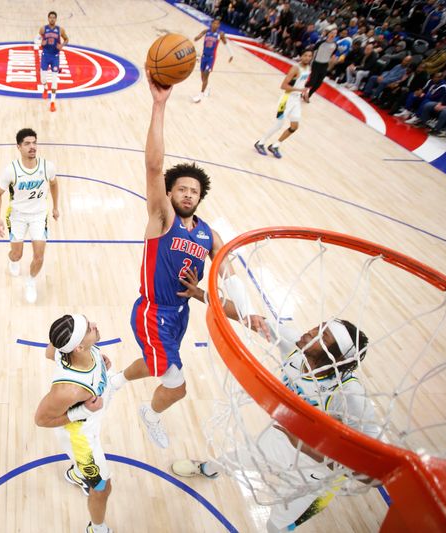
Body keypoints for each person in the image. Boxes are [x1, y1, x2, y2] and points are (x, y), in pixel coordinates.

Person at [108, 71, 266, 449]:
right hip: (152, 310)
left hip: (180, 313)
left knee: (155, 362)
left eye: (194, 191)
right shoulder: (162, 219)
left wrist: (247, 316)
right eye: (181, 188)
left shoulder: (210, 236)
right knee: (175, 385)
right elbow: (153, 167)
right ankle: (149, 413)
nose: (188, 193)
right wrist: (159, 106)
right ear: (170, 193)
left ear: (200, 197)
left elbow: (225, 286)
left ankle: (112, 382)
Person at [172, 318, 378, 533]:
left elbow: (374, 474)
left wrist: (306, 445)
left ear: (336, 355)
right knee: (232, 459)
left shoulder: (351, 396)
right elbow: (252, 318)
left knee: (275, 526)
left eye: (323, 335)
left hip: (313, 471)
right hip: (280, 438)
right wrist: (202, 295)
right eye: (318, 326)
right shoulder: (297, 346)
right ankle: (206, 470)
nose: (311, 330)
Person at [35, 314, 116, 533]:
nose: (95, 324)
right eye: (89, 328)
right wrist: (82, 410)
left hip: (92, 422)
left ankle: (78, 474)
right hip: (82, 440)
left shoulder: (74, 349)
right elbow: (41, 420)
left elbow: (50, 351)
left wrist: (101, 365)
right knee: (102, 488)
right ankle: (97, 528)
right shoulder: (68, 390)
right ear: (78, 348)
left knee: (95, 480)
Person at [0, 128, 59, 303]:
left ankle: (30, 282)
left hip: (38, 216)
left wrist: (55, 207)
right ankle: (13, 261)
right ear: (19, 147)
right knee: (17, 254)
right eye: (27, 143)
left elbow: (54, 183)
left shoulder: (47, 167)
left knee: (39, 256)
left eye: (34, 142)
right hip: (17, 216)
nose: (32, 147)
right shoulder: (11, 170)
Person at [254, 49, 313, 159]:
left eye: (309, 56)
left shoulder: (308, 68)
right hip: (286, 99)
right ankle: (260, 143)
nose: (307, 58)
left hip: (296, 100)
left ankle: (275, 145)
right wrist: (300, 90)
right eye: (305, 55)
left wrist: (305, 92)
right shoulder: (296, 68)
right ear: (301, 56)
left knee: (294, 126)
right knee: (278, 124)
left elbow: (302, 84)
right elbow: (283, 86)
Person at [192, 18, 233, 103]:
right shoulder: (206, 31)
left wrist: (231, 54)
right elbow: (198, 36)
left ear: (219, 25)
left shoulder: (220, 34)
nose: (216, 25)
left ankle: (200, 95)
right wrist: (197, 38)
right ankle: (207, 88)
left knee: (206, 74)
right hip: (204, 56)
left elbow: (226, 44)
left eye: (217, 24)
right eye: (214, 23)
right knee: (203, 77)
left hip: (211, 58)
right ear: (211, 24)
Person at [38, 11, 69, 112]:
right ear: (48, 18)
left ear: (56, 19)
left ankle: (52, 102)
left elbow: (66, 39)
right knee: (43, 78)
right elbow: (37, 40)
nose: (52, 19)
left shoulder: (60, 30)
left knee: (54, 80)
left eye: (54, 18)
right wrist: (41, 42)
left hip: (55, 56)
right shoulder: (43, 29)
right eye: (50, 17)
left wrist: (62, 45)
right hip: (45, 55)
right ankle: (45, 88)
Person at [305, 28, 337, 101]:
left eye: (335, 33)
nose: (333, 34)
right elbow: (312, 51)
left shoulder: (335, 45)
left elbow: (333, 54)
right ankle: (303, 90)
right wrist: (308, 60)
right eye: (332, 32)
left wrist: (332, 60)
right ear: (328, 33)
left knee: (318, 83)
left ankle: (308, 95)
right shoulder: (321, 42)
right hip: (316, 63)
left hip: (324, 65)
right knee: (312, 81)